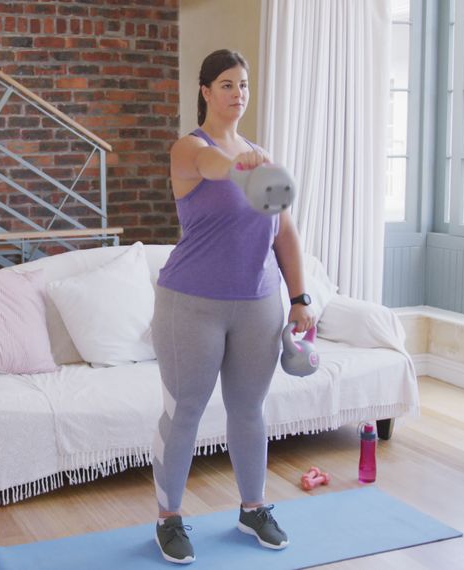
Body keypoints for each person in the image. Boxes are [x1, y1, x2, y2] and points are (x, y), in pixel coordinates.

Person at [151, 49, 314, 565]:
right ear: (205, 91)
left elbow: (284, 231)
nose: (237, 94)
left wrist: (300, 298)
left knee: (249, 410)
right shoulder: (188, 149)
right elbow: (213, 166)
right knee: (186, 413)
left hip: (258, 303)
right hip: (191, 303)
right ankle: (169, 518)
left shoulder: (260, 153)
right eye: (226, 84)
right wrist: (240, 164)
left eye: (243, 85)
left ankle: (253, 508)